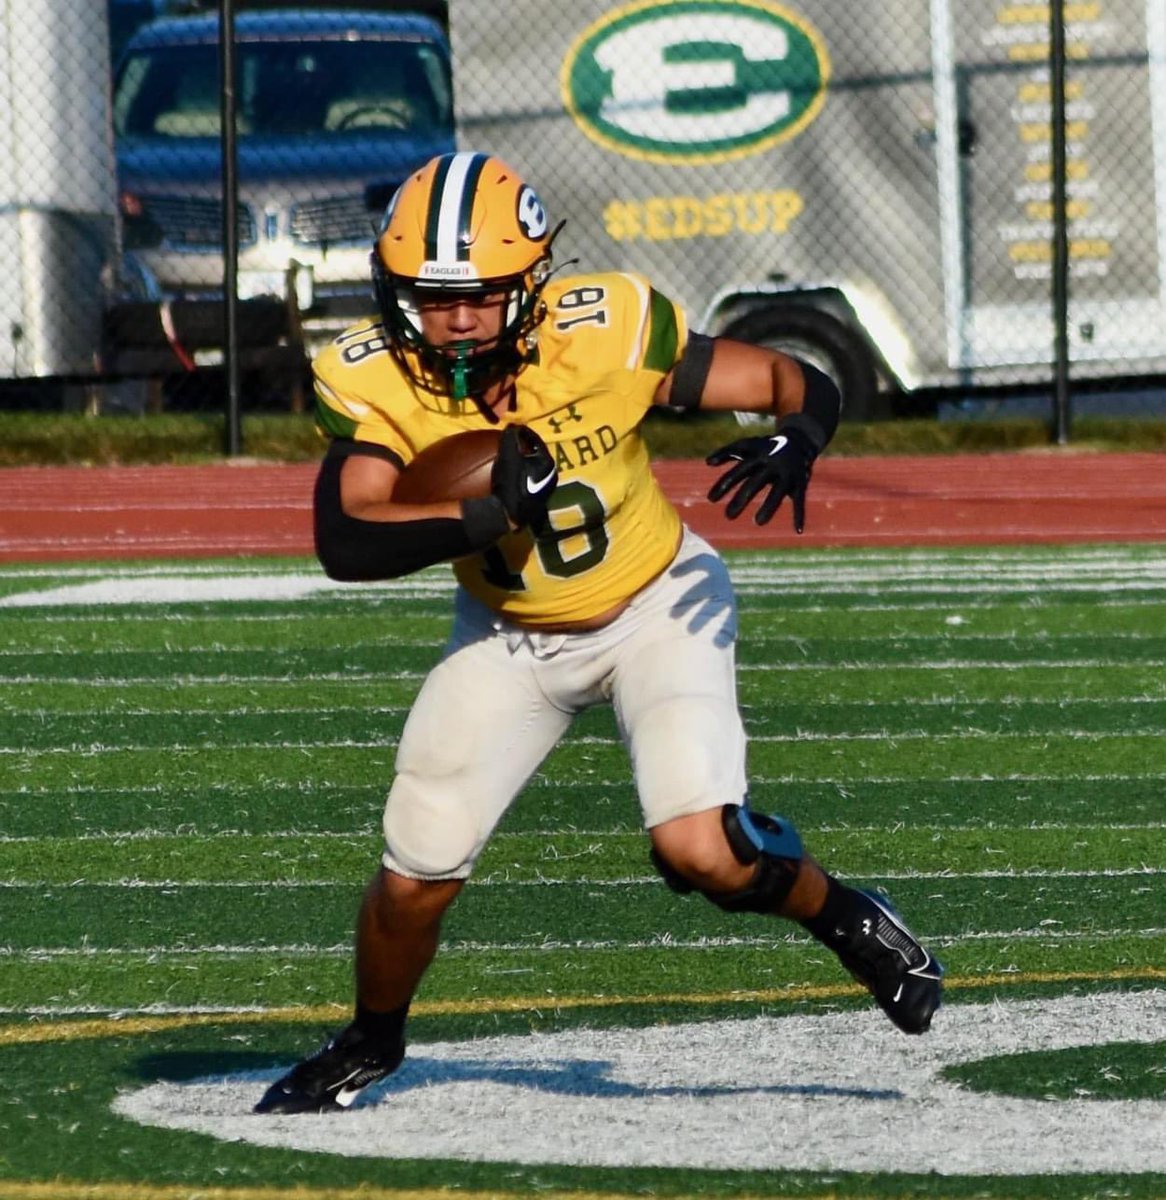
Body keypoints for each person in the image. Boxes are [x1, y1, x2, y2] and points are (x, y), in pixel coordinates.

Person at [256, 151, 942, 1115]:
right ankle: (371, 1040)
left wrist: (804, 432)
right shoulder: (373, 374)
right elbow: (346, 536)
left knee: (699, 850)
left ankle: (847, 917)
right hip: (507, 632)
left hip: (657, 606)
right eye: (430, 296)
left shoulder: (606, 329)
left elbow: (792, 378)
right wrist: (486, 517)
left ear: (533, 287)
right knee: (416, 871)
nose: (454, 320)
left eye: (483, 296)